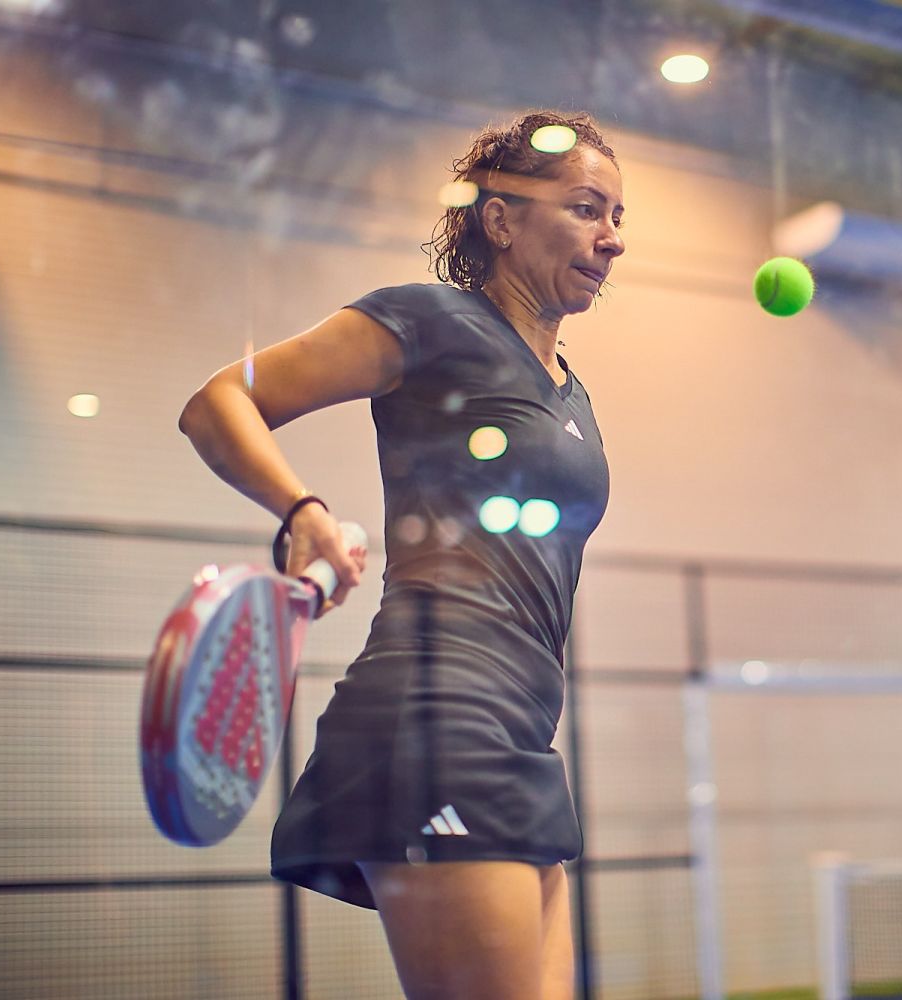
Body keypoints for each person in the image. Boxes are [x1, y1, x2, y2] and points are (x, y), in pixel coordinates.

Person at [177, 109, 625, 999]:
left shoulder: (572, 392)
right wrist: (303, 511)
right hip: (436, 718)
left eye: (617, 217)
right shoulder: (431, 320)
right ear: (500, 220)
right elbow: (218, 403)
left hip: (521, 733)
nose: (612, 238)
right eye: (585, 209)